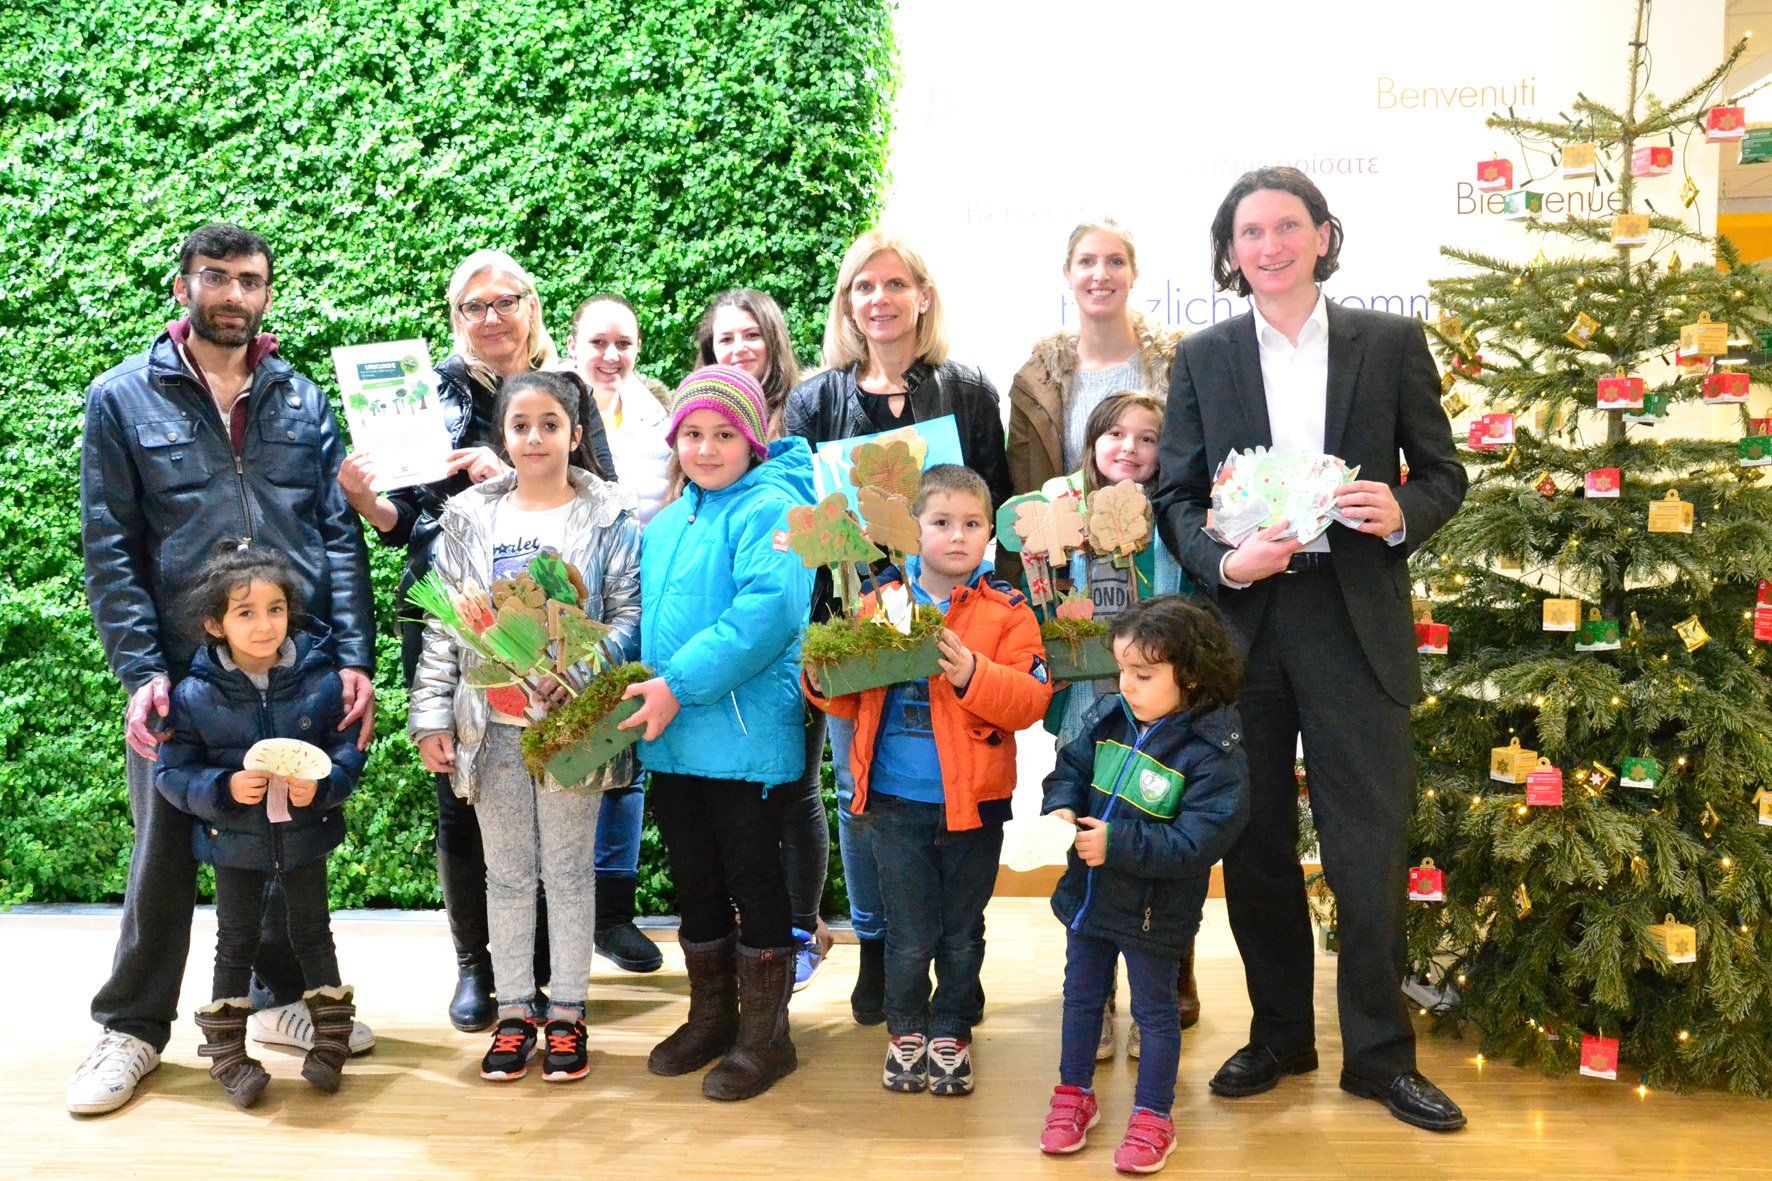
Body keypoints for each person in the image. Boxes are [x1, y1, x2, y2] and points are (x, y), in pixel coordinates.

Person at [1152, 167, 1470, 1132]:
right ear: (1231, 249)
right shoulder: (1202, 355)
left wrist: (1402, 508)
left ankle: (1379, 1054)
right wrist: (1225, 561)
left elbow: (1445, 472)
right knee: (1251, 845)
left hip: (1353, 618)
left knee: (1367, 847)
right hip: (1244, 624)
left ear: (1324, 237)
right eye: (1252, 231)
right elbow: (1173, 498)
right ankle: (1281, 1033)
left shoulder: (1390, 341)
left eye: (1289, 226)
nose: (1271, 244)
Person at [73, 222, 376, 1116]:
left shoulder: (300, 399)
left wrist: (351, 656)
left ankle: (283, 998)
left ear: (266, 295)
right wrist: (140, 670)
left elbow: (336, 535)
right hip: (186, 673)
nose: (233, 295)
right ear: (183, 287)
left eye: (250, 281)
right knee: (167, 842)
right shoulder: (122, 399)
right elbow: (110, 548)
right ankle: (131, 1025)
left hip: (294, 666)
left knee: (284, 827)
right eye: (217, 278)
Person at [338, 249, 616, 1030]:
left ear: (533, 306)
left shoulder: (569, 393)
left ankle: (546, 976)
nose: (491, 317)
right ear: (454, 319)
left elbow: (606, 497)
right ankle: (477, 966)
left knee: (560, 790)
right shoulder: (425, 394)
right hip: (457, 621)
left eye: (506, 301)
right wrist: (367, 502)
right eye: (473, 306)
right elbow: (404, 524)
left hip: (561, 624)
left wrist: (515, 470)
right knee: (465, 794)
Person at [785, 231, 1011, 1026]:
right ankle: (878, 946)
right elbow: (799, 514)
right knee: (860, 788)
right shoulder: (816, 399)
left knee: (953, 782)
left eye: (892, 284)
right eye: (861, 288)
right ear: (847, 304)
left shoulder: (968, 390)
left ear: (922, 294)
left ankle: (958, 955)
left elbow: (997, 504)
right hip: (856, 626)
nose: (877, 299)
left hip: (951, 619)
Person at [408, 369, 640, 1083]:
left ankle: (567, 1015)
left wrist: (578, 665)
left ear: (575, 433)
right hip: (492, 730)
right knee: (506, 876)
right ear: (502, 436)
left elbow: (631, 615)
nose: (534, 437)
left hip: (574, 726)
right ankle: (515, 1014)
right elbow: (443, 626)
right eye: (520, 425)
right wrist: (430, 715)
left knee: (569, 874)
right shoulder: (470, 518)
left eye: (549, 424)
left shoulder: (612, 517)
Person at [805, 465, 1053, 1097]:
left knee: (962, 932)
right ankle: (906, 1028)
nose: (957, 536)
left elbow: (1031, 698)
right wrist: (819, 678)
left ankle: (952, 1029)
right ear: (914, 531)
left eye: (972, 524)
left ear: (990, 533)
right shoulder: (884, 603)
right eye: (941, 522)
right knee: (910, 935)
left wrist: (973, 673)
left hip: (977, 804)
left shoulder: (1007, 612)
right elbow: (847, 696)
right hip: (893, 803)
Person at [619, 365, 815, 1102]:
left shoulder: (771, 509)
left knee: (754, 881)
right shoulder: (670, 521)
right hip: (673, 740)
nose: (706, 447)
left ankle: (768, 1036)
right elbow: (646, 622)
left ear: (752, 440)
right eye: (693, 434)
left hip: (743, 739)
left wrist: (677, 685)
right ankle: (712, 1017)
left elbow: (766, 615)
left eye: (724, 433)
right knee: (695, 880)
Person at [1037, 596, 1249, 1173]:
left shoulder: (1213, 752)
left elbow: (1197, 842)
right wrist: (1061, 803)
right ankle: (1072, 1095)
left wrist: (1119, 844)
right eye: (1123, 671)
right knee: (1081, 998)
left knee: (1155, 1015)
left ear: (1194, 675)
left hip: (1158, 912)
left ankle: (1154, 1114)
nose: (1126, 685)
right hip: (1090, 899)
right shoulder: (1109, 717)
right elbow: (1071, 769)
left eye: (1144, 674)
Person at [156, 542, 370, 1107]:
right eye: (245, 612)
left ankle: (331, 1043)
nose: (264, 624)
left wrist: (322, 787)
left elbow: (348, 752)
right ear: (215, 623)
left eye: (275, 609)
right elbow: (172, 773)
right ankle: (226, 1055)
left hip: (305, 837)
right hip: (235, 844)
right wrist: (221, 789)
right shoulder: (194, 695)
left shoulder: (320, 681)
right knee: (235, 942)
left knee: (315, 935)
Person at [1042, 391, 1197, 1059]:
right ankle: (1096, 988)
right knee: (1092, 841)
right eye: (1115, 433)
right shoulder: (1059, 513)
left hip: (1161, 714)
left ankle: (1165, 983)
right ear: (1092, 440)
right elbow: (1039, 599)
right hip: (1088, 706)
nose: (1129, 447)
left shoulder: (1176, 520)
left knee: (1158, 838)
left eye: (1147, 437)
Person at [695, 288, 831, 989]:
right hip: (727, 645)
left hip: (804, 625)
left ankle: (801, 931)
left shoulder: (806, 417)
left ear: (774, 342)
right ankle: (758, 936)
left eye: (752, 335)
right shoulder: (703, 420)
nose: (740, 347)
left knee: (800, 785)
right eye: (726, 339)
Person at [565, 292, 673, 975]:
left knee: (624, 754)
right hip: (563, 604)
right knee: (566, 754)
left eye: (623, 343)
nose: (611, 356)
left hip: (640, 597)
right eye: (598, 342)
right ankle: (564, 919)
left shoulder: (658, 412)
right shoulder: (549, 401)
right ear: (573, 344)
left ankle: (612, 913)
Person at [1006, 218, 1181, 561]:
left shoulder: (1181, 367)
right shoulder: (1035, 382)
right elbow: (1024, 494)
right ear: (1067, 274)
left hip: (1164, 566)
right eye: (1087, 261)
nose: (1101, 274)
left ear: (1134, 274)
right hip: (1071, 575)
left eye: (1116, 261)